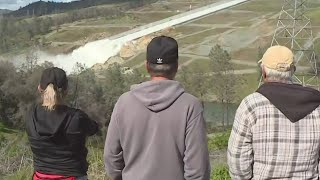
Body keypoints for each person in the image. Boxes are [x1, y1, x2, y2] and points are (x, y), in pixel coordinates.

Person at [104, 36, 210, 180]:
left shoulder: (124, 102)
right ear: (176, 66)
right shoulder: (190, 106)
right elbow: (198, 169)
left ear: (147, 66)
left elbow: (111, 157)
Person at [227, 45, 320, 179]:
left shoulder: (251, 105)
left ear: (264, 71)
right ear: (292, 71)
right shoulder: (316, 105)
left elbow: (237, 159)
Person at [26, 67, 99, 180]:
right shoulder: (77, 117)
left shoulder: (31, 115)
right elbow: (93, 129)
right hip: (73, 176)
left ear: (40, 88)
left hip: (40, 176)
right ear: (66, 91)